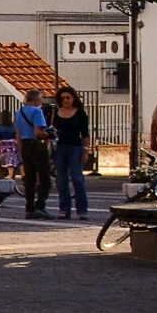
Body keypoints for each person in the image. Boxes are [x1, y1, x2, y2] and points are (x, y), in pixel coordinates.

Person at [50, 85, 92, 219]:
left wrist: (86, 150)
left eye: (68, 97)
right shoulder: (55, 114)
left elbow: (85, 134)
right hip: (60, 148)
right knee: (61, 180)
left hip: (75, 147)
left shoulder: (80, 114)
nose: (65, 100)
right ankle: (64, 209)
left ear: (73, 98)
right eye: (62, 98)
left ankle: (82, 210)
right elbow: (49, 130)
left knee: (77, 178)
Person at [14, 88, 53, 217]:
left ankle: (29, 208)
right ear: (37, 100)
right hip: (37, 146)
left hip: (25, 146)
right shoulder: (37, 111)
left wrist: (21, 149)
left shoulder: (19, 112)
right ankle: (40, 206)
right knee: (44, 177)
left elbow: (18, 133)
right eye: (41, 99)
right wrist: (50, 135)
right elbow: (38, 132)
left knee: (29, 179)